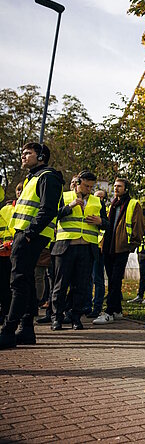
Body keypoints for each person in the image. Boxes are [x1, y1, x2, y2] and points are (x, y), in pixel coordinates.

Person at [0, 143, 64, 349]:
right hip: (24, 235)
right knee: (25, 281)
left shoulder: (48, 176)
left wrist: (28, 234)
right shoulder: (33, 177)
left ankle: (8, 331)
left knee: (18, 282)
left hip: (30, 236)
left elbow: (48, 209)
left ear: (41, 156)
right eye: (22, 153)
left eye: (28, 153)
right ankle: (26, 329)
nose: (23, 156)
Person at [49, 171, 108, 330]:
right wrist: (71, 206)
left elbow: (107, 224)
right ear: (77, 183)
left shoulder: (97, 201)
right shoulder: (65, 197)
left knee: (81, 286)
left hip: (87, 249)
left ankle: (76, 318)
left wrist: (100, 221)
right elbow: (54, 216)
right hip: (65, 248)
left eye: (91, 186)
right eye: (86, 185)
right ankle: (57, 318)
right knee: (60, 285)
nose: (89, 189)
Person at [93, 178, 143, 324]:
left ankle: (108, 312)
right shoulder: (112, 205)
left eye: (119, 186)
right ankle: (117, 310)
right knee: (113, 279)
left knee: (114, 280)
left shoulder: (133, 204)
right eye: (114, 186)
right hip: (108, 247)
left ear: (126, 188)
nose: (116, 188)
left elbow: (138, 226)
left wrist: (131, 245)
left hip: (122, 247)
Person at [87, 189, 108, 318]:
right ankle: (86, 305)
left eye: (101, 197)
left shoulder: (104, 210)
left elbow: (106, 227)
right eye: (96, 196)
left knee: (97, 279)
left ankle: (97, 306)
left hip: (99, 249)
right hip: (87, 246)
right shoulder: (89, 206)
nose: (98, 199)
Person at [0, 185, 18, 324]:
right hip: (5, 252)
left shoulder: (7, 211)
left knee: (7, 287)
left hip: (9, 253)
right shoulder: (4, 210)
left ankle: (7, 315)